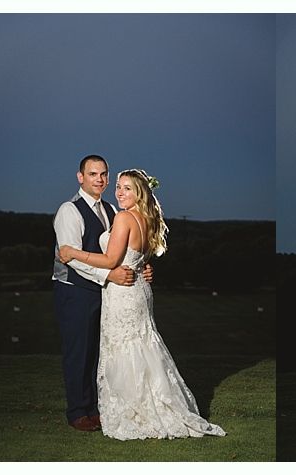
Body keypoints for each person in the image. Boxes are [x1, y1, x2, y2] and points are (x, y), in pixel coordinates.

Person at [59, 169, 225, 440]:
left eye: (127, 188)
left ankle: (134, 412)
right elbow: (137, 256)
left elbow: (111, 260)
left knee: (124, 348)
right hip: (138, 289)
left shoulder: (124, 217)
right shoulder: (148, 218)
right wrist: (142, 267)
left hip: (123, 292)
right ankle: (149, 404)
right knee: (142, 345)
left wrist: (72, 252)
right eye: (118, 187)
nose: (119, 192)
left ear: (140, 193)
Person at [52, 155, 152, 432]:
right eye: (93, 174)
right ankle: (77, 412)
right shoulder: (69, 211)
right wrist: (109, 275)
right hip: (75, 290)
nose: (100, 179)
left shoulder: (110, 209)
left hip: (106, 292)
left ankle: (96, 408)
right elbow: (70, 258)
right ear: (80, 177)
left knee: (100, 353)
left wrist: (141, 267)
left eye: (104, 174)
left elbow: (122, 250)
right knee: (79, 353)